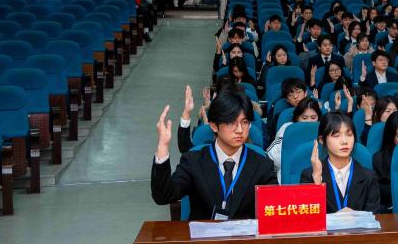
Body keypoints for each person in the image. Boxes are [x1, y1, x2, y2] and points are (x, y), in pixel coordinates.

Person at [151, 90, 276, 220]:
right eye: (231, 122)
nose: (240, 130)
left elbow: (274, 209)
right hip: (203, 232)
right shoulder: (193, 161)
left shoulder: (263, 165)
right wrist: (163, 146)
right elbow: (163, 196)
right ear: (214, 126)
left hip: (246, 233)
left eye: (245, 122)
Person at [304, 113, 380, 213]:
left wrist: (357, 217)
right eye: (336, 135)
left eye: (349, 134)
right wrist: (317, 180)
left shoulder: (369, 176)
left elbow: (374, 215)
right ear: (322, 140)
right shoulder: (309, 176)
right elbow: (308, 216)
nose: (344, 141)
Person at [266, 97, 320, 178]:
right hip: (289, 175)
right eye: (304, 118)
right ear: (297, 118)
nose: (309, 121)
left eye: (313, 118)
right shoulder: (287, 129)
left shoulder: (323, 131)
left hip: (318, 175)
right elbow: (271, 157)